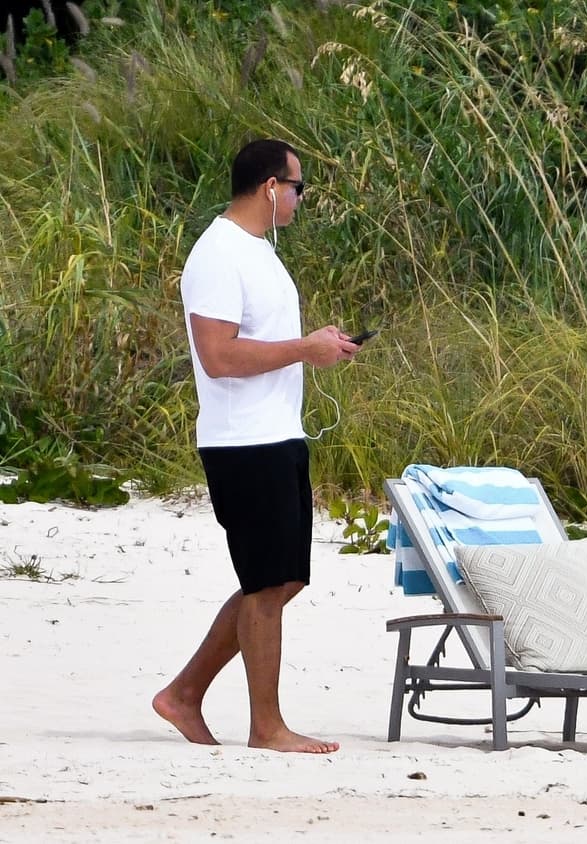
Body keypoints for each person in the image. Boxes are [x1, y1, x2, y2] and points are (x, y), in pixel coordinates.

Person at [152, 139, 361, 754]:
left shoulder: (260, 251)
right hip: (241, 442)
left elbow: (262, 341)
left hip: (277, 433)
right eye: (299, 187)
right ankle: (266, 727)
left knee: (279, 579)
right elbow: (216, 358)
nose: (301, 198)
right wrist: (304, 348)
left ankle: (184, 694)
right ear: (271, 186)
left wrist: (319, 347)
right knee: (267, 584)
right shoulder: (217, 254)